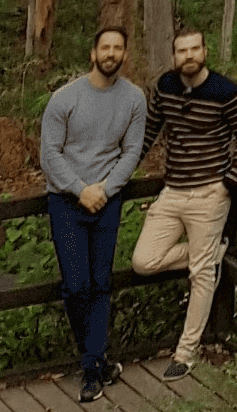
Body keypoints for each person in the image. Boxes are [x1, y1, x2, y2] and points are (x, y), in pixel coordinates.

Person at [131, 27, 237, 380]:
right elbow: (151, 130)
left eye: (194, 49)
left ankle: (185, 353)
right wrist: (121, 170)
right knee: (144, 261)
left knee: (200, 275)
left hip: (208, 195)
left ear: (205, 51)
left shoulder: (226, 91)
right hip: (173, 191)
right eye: (181, 51)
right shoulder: (165, 87)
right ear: (174, 55)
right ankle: (212, 252)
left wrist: (227, 183)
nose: (188, 56)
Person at [41, 27, 148, 404]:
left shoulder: (135, 99)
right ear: (93, 54)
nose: (112, 53)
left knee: (100, 284)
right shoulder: (64, 98)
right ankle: (98, 363)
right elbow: (50, 153)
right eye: (106, 47)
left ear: (124, 55)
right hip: (66, 202)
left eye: (119, 48)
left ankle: (91, 370)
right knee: (76, 285)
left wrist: (104, 189)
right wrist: (80, 189)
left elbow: (132, 151)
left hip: (107, 201)